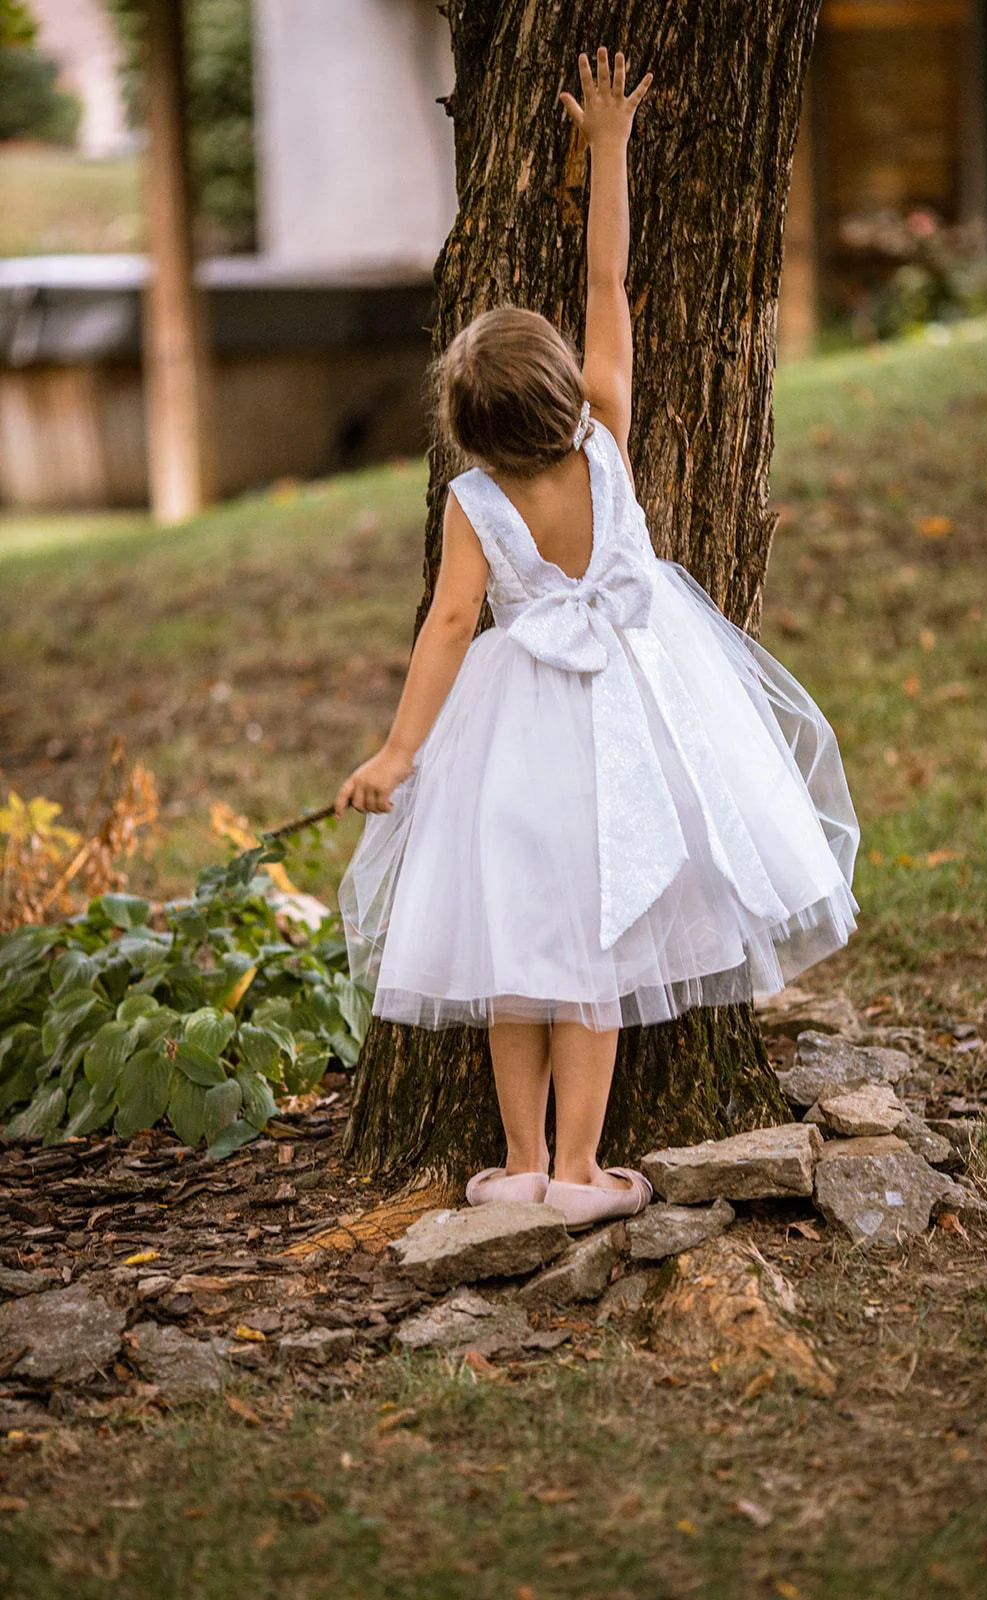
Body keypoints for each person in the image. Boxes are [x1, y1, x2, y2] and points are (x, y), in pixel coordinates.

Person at [334, 46, 861, 1231]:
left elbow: (451, 628)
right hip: (636, 710)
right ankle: (578, 1173)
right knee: (599, 951)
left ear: (464, 430)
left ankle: (517, 1163)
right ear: (566, 390)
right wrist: (608, 148)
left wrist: (398, 754)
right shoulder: (604, 437)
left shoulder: (474, 507)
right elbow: (607, 283)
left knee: (511, 952)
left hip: (509, 737)